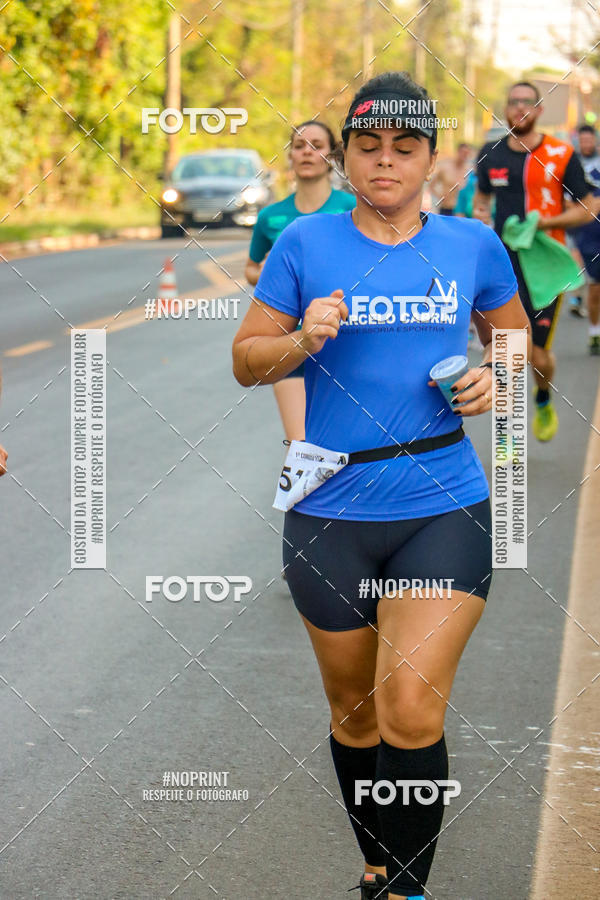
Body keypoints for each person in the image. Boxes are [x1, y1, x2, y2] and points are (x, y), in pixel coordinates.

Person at [233, 70, 531, 900]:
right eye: (368, 148)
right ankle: (376, 860)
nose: (385, 164)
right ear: (349, 157)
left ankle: (406, 888)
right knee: (356, 713)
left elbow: (510, 339)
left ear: (430, 159)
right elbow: (245, 362)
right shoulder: (305, 245)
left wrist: (495, 382)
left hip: (443, 498)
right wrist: (301, 340)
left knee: (409, 709)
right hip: (330, 510)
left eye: (404, 149)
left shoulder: (472, 244)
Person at [473, 81, 596, 440]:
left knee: (537, 357)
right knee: (508, 349)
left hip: (544, 269)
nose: (519, 108)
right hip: (502, 268)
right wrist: (480, 219)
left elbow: (590, 207)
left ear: (540, 110)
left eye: (527, 102)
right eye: (513, 102)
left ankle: (542, 395)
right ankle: (508, 439)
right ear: (506, 109)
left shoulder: (560, 153)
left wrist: (544, 222)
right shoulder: (490, 153)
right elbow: (481, 201)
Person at [244, 121, 355, 441]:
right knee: (302, 452)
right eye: (299, 145)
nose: (307, 152)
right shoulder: (270, 217)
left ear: (333, 156)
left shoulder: (352, 208)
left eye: (317, 145)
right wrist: (273, 275)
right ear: (290, 156)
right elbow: (252, 270)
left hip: (346, 342)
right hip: (292, 342)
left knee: (346, 448)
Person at [570, 124, 600, 354]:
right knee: (595, 286)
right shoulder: (574, 166)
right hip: (587, 231)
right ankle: (594, 332)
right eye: (583, 140)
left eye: (590, 140)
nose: (586, 144)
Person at [429, 142, 472, 215]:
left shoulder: (469, 170)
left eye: (467, 154)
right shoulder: (445, 168)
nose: (464, 156)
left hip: (462, 211)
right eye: (463, 153)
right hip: (446, 208)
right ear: (458, 152)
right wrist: (439, 196)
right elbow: (431, 186)